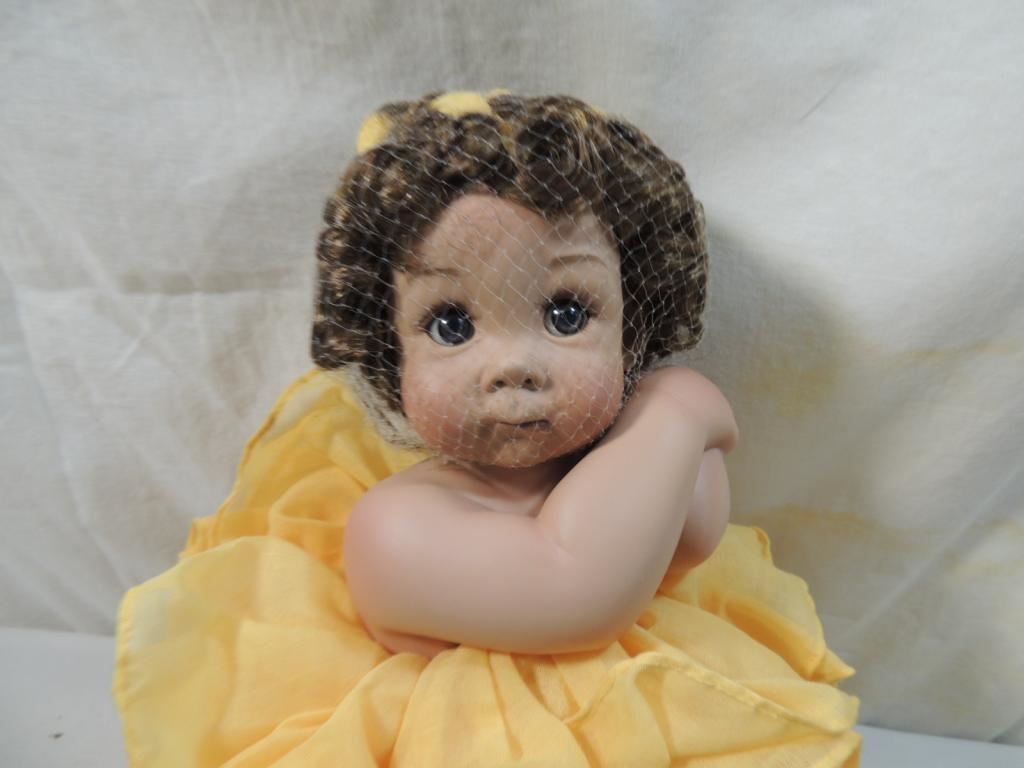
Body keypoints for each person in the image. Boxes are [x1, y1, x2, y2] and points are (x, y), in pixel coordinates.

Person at [114, 90, 861, 767]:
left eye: (566, 312)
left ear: (633, 323)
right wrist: (678, 406)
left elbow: (693, 538)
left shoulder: (616, 463)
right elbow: (577, 590)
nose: (513, 367)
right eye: (451, 324)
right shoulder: (394, 527)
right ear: (388, 349)